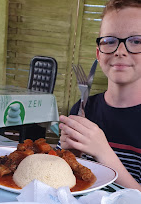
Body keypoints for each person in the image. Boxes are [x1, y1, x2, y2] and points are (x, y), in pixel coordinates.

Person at [59, 0, 141, 191]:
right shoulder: (83, 108)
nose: (120, 51)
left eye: (136, 41)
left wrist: (103, 152)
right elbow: (63, 183)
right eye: (110, 41)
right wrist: (71, 154)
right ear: (98, 53)